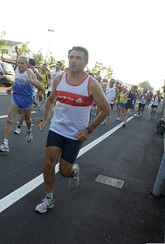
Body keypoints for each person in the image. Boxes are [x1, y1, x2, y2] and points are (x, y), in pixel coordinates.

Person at [35, 46, 110, 214]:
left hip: (76, 134)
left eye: (78, 58)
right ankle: (49, 198)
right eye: (71, 57)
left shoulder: (91, 84)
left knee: (64, 171)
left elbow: (106, 109)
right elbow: (50, 100)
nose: (74, 60)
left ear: (85, 62)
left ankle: (74, 170)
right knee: (48, 163)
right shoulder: (59, 79)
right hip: (57, 128)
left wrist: (88, 130)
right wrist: (45, 120)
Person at [0, 54, 45, 153]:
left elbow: (42, 89)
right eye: (18, 62)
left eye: (22, 63)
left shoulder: (30, 73)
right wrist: (11, 88)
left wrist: (32, 81)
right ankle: (5, 144)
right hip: (16, 97)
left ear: (27, 64)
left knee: (27, 119)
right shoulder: (17, 71)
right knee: (9, 120)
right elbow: (16, 81)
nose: (20, 65)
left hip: (27, 99)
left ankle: (29, 130)